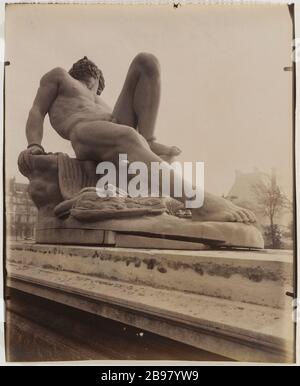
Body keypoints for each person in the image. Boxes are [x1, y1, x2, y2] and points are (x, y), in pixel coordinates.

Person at [25, 53, 256, 223]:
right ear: (95, 79)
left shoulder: (101, 101)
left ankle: (148, 138)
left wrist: (141, 139)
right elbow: (36, 110)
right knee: (127, 135)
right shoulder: (60, 77)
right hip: (85, 132)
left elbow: (119, 118)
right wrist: (34, 144)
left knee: (147, 62)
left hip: (114, 128)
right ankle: (199, 203)